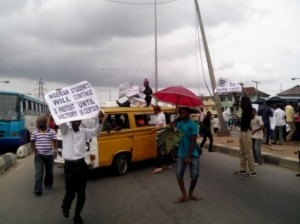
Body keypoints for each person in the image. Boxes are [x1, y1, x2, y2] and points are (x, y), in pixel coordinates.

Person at [60, 111, 105, 224]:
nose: (76, 122)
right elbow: (60, 120)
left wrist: (100, 122)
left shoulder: (84, 132)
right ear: (71, 121)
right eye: (74, 120)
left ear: (80, 121)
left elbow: (95, 132)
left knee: (81, 193)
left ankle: (77, 216)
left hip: (81, 165)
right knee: (70, 192)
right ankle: (66, 206)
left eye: (78, 120)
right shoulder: (65, 130)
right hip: (69, 166)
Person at [175, 107, 201, 203]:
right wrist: (176, 120)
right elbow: (172, 131)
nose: (181, 114)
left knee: (195, 175)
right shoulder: (179, 124)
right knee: (179, 175)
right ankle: (184, 195)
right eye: (180, 112)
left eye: (183, 112)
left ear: (188, 114)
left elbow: (193, 141)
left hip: (192, 154)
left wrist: (188, 156)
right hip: (181, 153)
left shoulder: (193, 125)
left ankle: (190, 193)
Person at [233, 83, 256, 176]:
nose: (240, 103)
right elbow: (237, 101)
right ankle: (242, 169)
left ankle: (252, 171)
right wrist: (234, 92)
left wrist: (242, 88)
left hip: (246, 133)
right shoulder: (244, 109)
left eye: (242, 102)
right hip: (242, 133)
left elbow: (247, 97)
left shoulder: (249, 108)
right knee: (242, 152)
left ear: (245, 103)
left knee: (248, 152)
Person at [31, 116, 58, 196]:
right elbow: (32, 143)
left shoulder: (52, 131)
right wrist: (35, 151)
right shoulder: (35, 132)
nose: (39, 123)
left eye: (41, 122)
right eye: (38, 122)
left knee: (49, 172)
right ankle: (38, 189)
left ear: (46, 123)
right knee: (39, 172)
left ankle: (48, 184)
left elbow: (55, 141)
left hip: (49, 155)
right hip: (39, 156)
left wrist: (55, 151)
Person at [151, 105, 172, 174]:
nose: (153, 111)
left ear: (156, 110)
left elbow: (161, 126)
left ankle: (159, 167)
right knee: (166, 150)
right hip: (164, 135)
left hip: (160, 136)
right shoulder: (162, 114)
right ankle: (168, 164)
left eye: (153, 110)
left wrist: (153, 130)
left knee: (159, 152)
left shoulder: (159, 117)